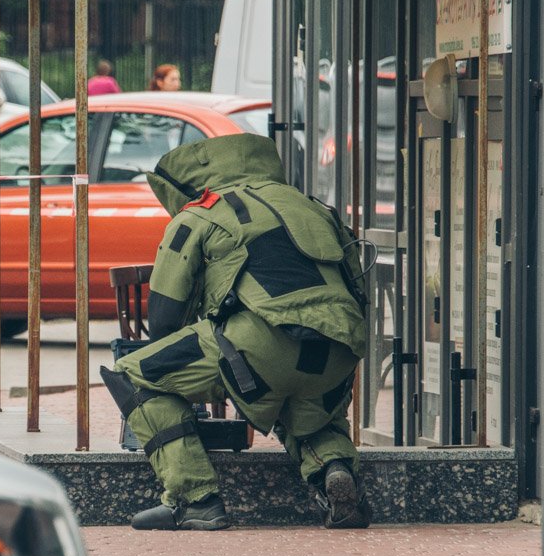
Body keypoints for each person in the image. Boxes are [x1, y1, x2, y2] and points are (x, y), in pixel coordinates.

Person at [99, 133, 371, 531]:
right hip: (338, 347)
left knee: (135, 374)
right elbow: (358, 287)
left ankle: (194, 500)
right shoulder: (311, 206)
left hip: (260, 342)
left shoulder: (199, 213)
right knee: (311, 412)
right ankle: (335, 471)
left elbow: (164, 318)